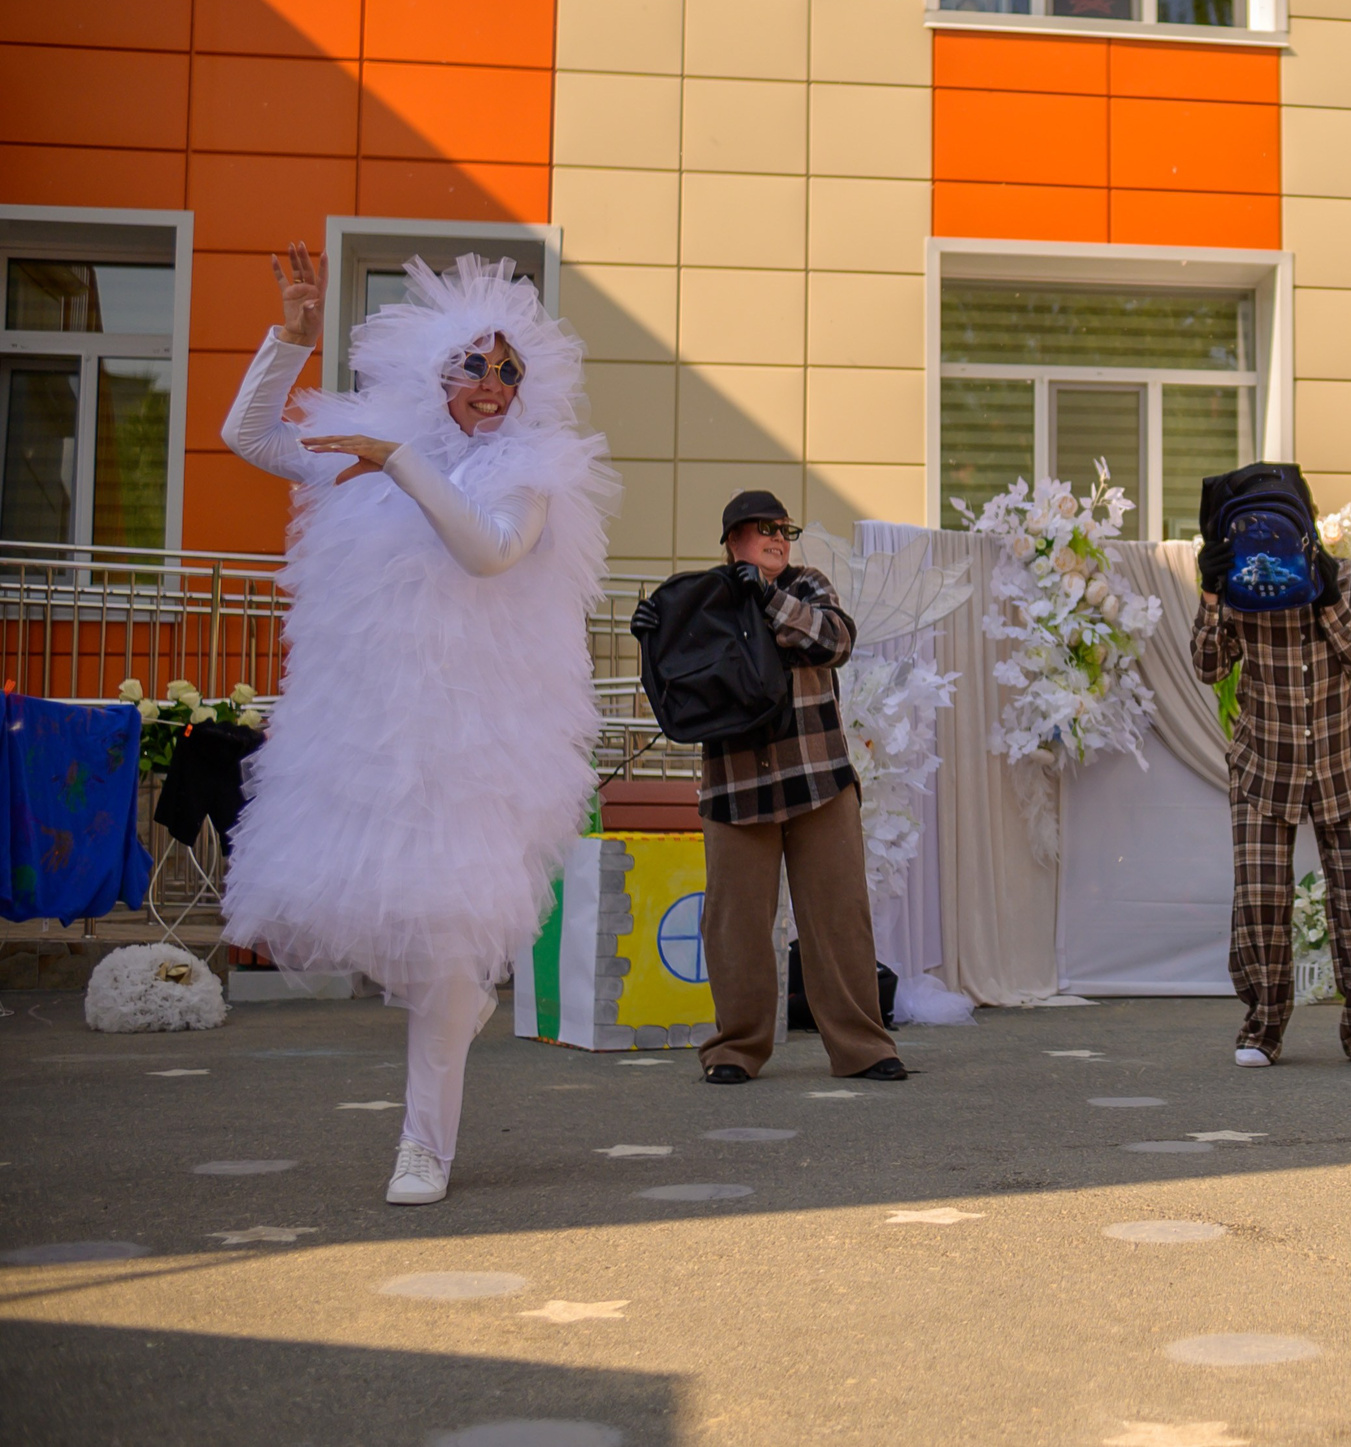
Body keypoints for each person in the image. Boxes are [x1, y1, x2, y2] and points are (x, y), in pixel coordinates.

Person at [220, 244, 617, 1206]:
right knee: (385, 924)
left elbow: (489, 552)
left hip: (479, 741)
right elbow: (249, 436)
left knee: (444, 937)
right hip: (371, 731)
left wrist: (395, 462)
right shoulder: (370, 441)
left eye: (509, 369)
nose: (492, 384)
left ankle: (423, 1145)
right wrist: (291, 340)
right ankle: (459, 1006)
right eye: (473, 363)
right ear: (437, 369)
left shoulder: (532, 468)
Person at [632, 491, 904, 1086]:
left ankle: (862, 1047)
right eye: (765, 529)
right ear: (733, 540)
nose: (779, 538)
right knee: (735, 926)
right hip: (735, 785)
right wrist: (655, 641)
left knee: (838, 918)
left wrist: (767, 598)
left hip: (818, 779)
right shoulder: (701, 599)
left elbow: (836, 642)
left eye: (785, 529)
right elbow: (679, 687)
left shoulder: (807, 585)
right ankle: (735, 1049)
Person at [1193, 469, 1351, 1069]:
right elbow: (1209, 667)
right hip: (1263, 763)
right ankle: (1261, 1029)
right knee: (1259, 903)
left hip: (1344, 764)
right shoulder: (1239, 585)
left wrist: (1328, 597)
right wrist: (1211, 596)